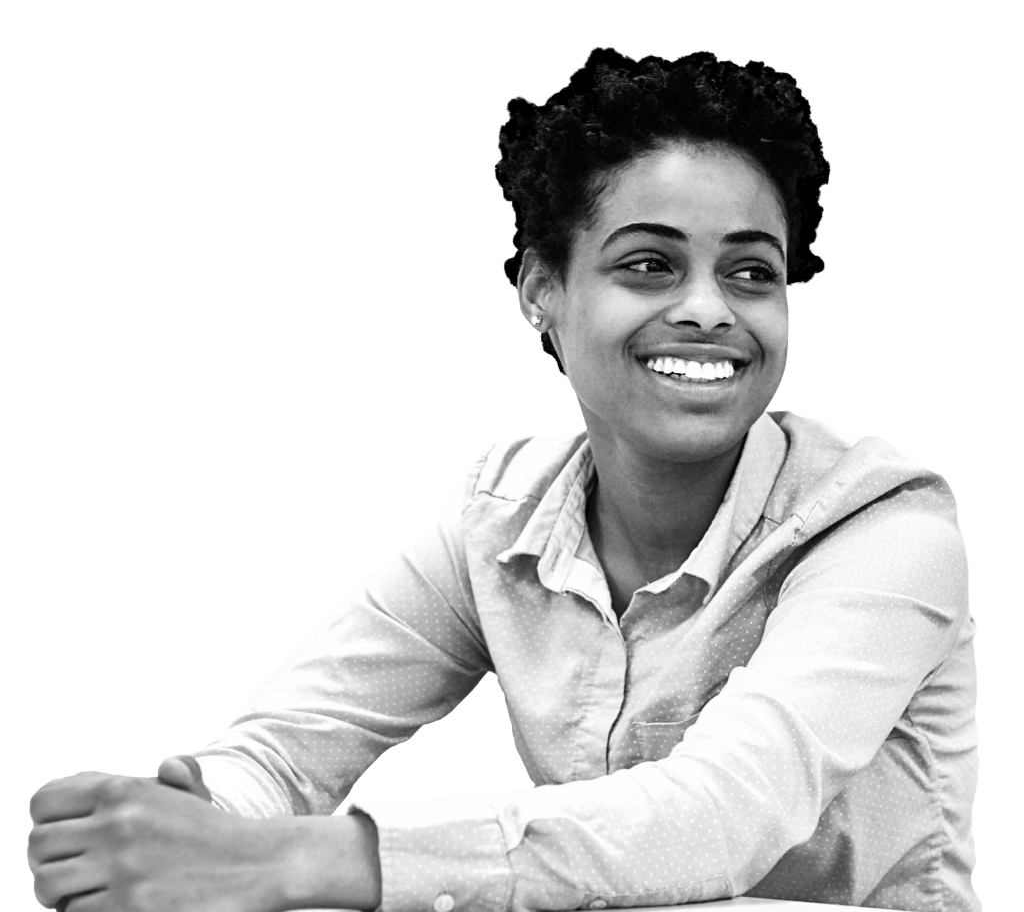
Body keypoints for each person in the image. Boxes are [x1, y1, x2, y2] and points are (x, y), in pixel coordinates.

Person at [28, 54, 979, 912]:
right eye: (648, 265)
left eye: (750, 273)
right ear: (539, 290)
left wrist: (308, 860)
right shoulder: (502, 510)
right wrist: (183, 816)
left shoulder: (887, 525)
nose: (706, 309)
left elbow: (720, 817)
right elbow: (289, 744)